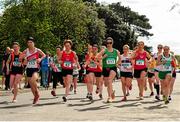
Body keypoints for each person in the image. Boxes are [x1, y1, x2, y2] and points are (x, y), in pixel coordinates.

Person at [20, 37, 45, 104]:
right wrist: (24, 59)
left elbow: (44, 55)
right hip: (29, 69)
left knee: (32, 80)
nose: (30, 43)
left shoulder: (37, 50)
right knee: (31, 85)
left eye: (31, 42)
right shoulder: (26, 51)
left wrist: (40, 59)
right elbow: (20, 58)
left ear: (34, 43)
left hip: (36, 68)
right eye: (28, 42)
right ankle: (35, 97)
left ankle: (37, 92)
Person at [97, 37, 121, 103]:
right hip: (105, 68)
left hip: (113, 68)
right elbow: (97, 57)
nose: (109, 44)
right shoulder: (104, 51)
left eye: (110, 43)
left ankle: (109, 97)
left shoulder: (116, 51)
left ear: (112, 43)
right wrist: (103, 57)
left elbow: (120, 58)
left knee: (110, 80)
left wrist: (117, 63)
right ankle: (112, 91)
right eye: (107, 43)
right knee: (106, 84)